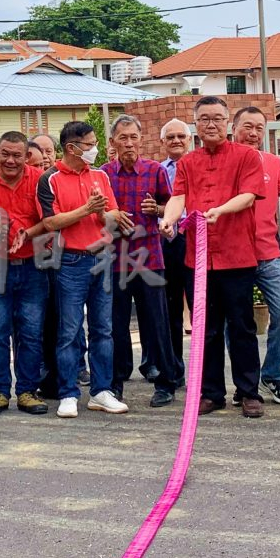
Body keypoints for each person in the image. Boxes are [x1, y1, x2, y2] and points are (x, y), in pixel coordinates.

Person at [159, 96, 266, 419]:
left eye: (217, 118)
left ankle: (248, 392)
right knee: (206, 328)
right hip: (198, 260)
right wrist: (169, 220)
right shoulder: (189, 162)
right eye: (204, 118)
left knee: (242, 327)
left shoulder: (246, 156)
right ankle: (211, 392)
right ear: (196, 124)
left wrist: (221, 210)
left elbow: (249, 196)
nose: (211, 124)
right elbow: (179, 196)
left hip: (237, 256)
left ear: (228, 122)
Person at [37, 120, 133, 418]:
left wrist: (106, 213)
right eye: (90, 145)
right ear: (71, 148)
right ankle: (68, 393)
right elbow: (50, 223)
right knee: (70, 330)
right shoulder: (50, 179)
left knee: (104, 329)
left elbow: (112, 213)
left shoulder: (100, 176)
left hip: (102, 257)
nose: (95, 149)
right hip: (71, 261)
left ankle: (102, 391)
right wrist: (86, 210)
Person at [100, 115, 181, 407]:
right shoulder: (103, 174)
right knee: (116, 325)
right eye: (123, 138)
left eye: (134, 137)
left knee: (157, 323)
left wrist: (157, 208)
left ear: (141, 139)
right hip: (114, 260)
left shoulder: (155, 170)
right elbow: (95, 214)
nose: (130, 143)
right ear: (113, 142)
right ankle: (116, 382)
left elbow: (172, 207)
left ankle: (166, 383)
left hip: (150, 258)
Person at [230, 106, 280, 405]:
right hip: (234, 257)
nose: (253, 133)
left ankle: (272, 375)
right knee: (236, 322)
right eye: (247, 126)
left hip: (268, 253)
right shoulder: (224, 164)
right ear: (233, 129)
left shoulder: (274, 164)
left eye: (259, 128)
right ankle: (243, 383)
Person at [0, 132, 50, 415]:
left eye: (18, 155)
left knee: (30, 332)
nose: (11, 160)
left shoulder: (39, 180)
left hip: (32, 266)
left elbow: (49, 221)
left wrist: (26, 234)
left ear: (27, 156)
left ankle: (28, 391)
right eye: (5, 153)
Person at [159, 118, 192, 376]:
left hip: (195, 240)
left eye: (181, 136)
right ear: (163, 142)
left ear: (189, 140)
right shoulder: (158, 170)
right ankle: (173, 370)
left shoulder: (197, 167)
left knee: (201, 306)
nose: (176, 141)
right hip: (167, 242)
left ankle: (202, 372)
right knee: (170, 307)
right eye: (170, 137)